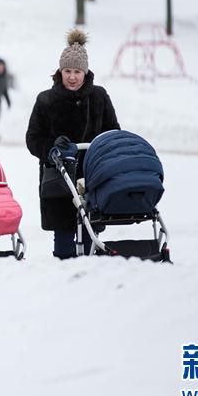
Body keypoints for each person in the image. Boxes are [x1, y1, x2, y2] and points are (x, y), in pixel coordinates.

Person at [25, 30, 120, 259]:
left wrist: (100, 152)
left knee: (90, 234)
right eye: (67, 71)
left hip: (92, 175)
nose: (72, 77)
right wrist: (51, 148)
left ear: (85, 73)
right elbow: (33, 138)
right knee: (64, 243)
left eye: (77, 71)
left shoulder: (99, 97)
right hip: (58, 178)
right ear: (60, 72)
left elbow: (113, 132)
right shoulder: (45, 100)